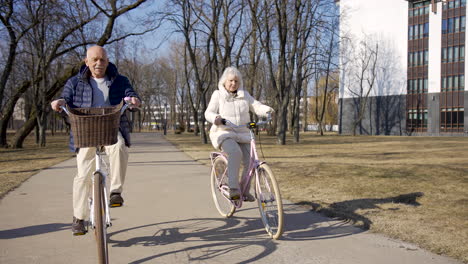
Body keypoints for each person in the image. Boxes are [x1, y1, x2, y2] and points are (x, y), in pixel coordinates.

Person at [51, 45, 141, 236]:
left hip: (110, 127)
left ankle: (115, 192)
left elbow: (131, 95)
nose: (99, 63)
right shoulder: (75, 82)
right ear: (87, 62)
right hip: (85, 131)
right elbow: (65, 98)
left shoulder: (119, 80)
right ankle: (79, 218)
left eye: (102, 59)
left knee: (119, 146)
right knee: (83, 174)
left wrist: (133, 100)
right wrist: (59, 103)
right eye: (94, 60)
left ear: (107, 61)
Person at [205, 66, 274, 201]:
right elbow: (208, 112)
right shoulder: (218, 95)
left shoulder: (245, 95)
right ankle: (234, 189)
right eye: (230, 81)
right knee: (235, 153)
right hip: (224, 133)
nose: (233, 84)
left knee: (251, 161)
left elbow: (257, 106)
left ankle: (244, 190)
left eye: (236, 81)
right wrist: (215, 119)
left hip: (243, 133)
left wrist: (268, 110)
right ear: (224, 81)